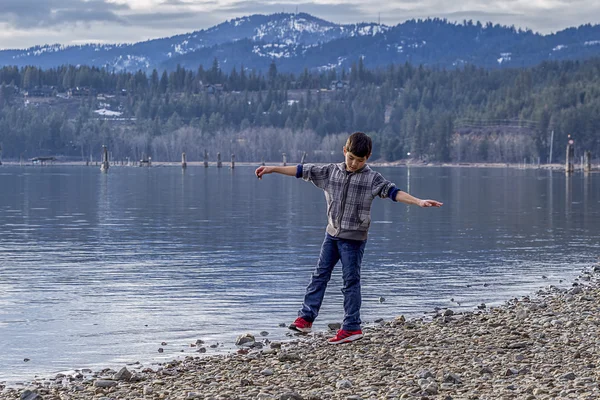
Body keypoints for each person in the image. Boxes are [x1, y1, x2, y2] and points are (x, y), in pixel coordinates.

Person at [255, 132, 443, 344]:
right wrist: (272, 169)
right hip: (332, 234)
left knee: (350, 281)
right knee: (320, 275)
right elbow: (301, 170)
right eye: (351, 158)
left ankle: (352, 327)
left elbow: (394, 193)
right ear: (344, 151)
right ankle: (306, 319)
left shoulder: (373, 179)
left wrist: (418, 201)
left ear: (368, 157)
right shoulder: (329, 172)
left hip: (353, 240)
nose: (354, 164)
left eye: (360, 160)